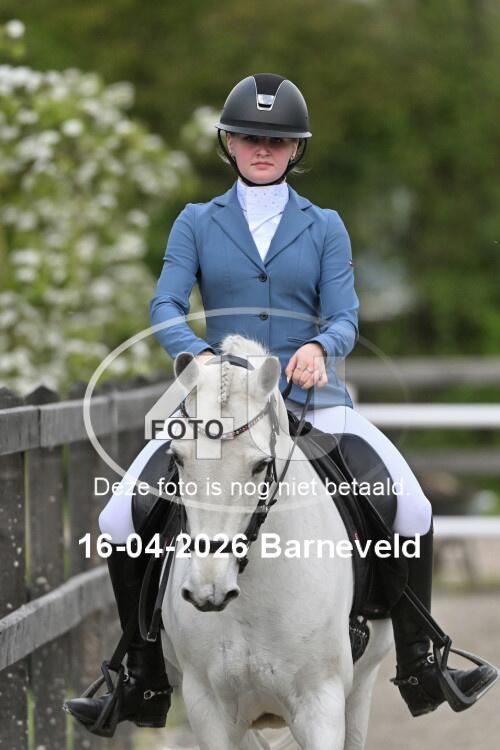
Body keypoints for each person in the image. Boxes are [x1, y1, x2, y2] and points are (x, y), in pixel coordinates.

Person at [64, 73, 497, 734]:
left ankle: (422, 659)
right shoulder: (196, 222)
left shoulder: (324, 226)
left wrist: (322, 346)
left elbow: (345, 314)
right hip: (218, 407)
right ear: (229, 144)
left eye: (276, 140)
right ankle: (139, 673)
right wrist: (196, 355)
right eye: (249, 137)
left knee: (410, 504)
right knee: (120, 516)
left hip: (312, 401)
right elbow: (165, 305)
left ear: (295, 149)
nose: (262, 148)